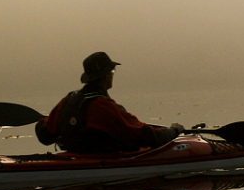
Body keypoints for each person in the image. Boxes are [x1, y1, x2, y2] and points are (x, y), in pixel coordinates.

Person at [38, 52, 184, 153]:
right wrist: (173, 131)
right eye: (112, 72)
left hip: (76, 155)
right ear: (105, 76)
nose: (113, 75)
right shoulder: (102, 104)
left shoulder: (68, 100)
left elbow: (45, 135)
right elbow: (143, 135)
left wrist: (42, 121)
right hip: (100, 160)